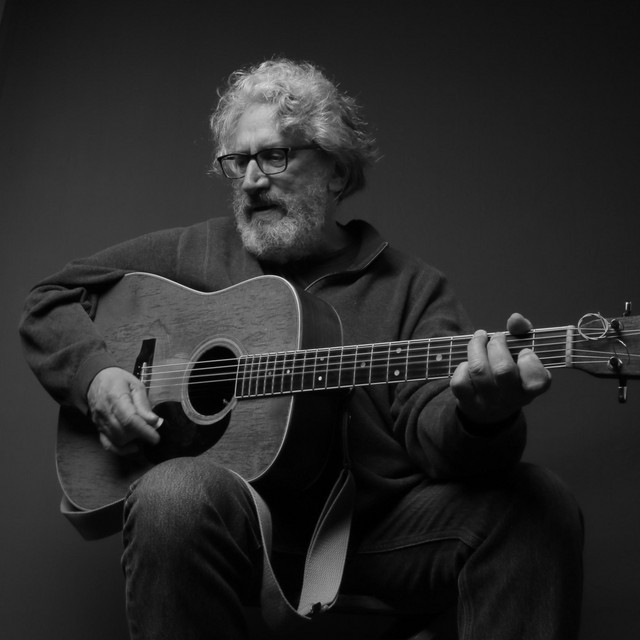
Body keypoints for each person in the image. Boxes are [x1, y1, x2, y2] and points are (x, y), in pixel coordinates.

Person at [19, 58, 583, 640]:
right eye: (237, 162)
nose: (251, 180)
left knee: (537, 501)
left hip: (378, 535)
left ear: (336, 171)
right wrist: (97, 378)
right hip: (233, 530)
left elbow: (439, 437)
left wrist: (483, 418)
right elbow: (49, 300)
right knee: (171, 493)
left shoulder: (412, 288)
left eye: (275, 156)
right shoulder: (198, 251)